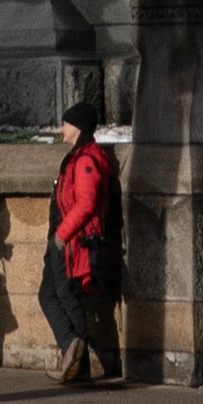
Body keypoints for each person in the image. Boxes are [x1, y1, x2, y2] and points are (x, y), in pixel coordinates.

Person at [41, 112, 120, 389]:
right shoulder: (76, 157)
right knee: (49, 294)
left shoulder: (86, 160)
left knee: (65, 295)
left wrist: (61, 237)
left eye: (65, 123)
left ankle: (77, 359)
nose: (61, 128)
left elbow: (86, 204)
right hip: (61, 241)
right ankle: (75, 354)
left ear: (77, 127)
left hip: (71, 243)